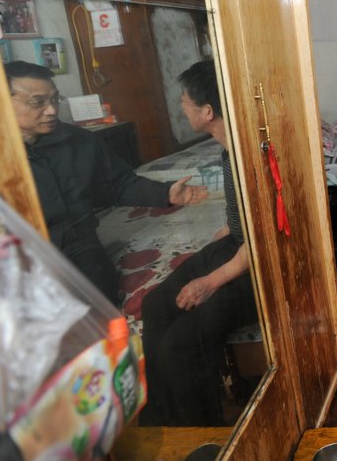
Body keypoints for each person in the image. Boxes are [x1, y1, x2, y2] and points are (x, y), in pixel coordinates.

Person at [4, 61, 207, 303]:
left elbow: (119, 183)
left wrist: (166, 193)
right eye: (37, 102)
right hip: (15, 251)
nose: (51, 111)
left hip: (78, 243)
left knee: (98, 300)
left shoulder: (80, 141)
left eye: (54, 100)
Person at [139, 60, 258, 427]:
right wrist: (227, 229)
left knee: (181, 343)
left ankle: (200, 432)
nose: (181, 106)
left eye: (185, 101)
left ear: (207, 111)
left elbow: (264, 241)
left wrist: (210, 280)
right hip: (239, 246)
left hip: (261, 263)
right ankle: (161, 420)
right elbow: (245, 214)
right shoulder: (228, 149)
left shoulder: (251, 154)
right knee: (155, 305)